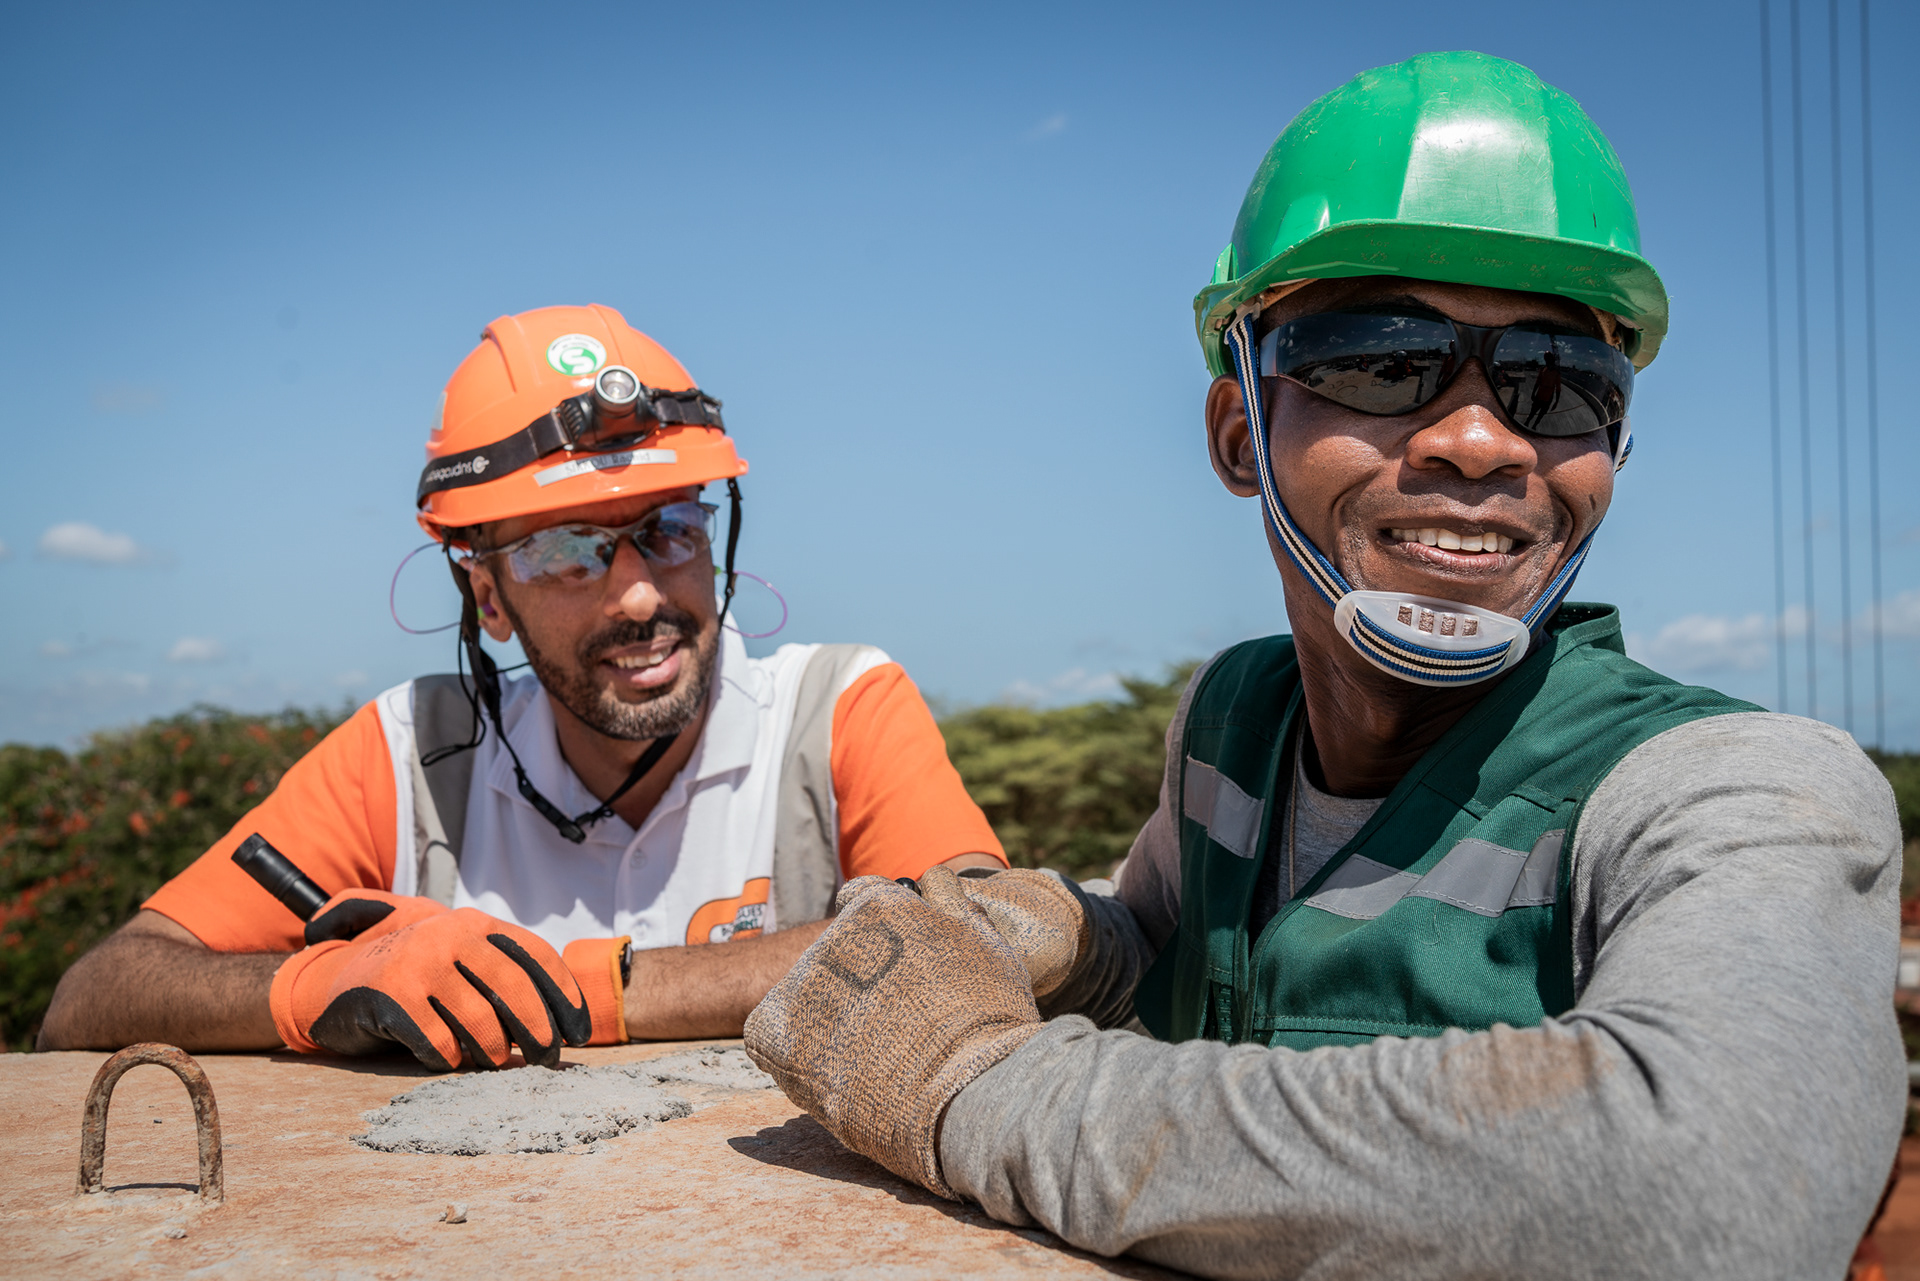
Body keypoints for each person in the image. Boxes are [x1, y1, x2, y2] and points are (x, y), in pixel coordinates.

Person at [743, 52, 1904, 1278]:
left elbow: (1716, 1180)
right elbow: (1177, 939)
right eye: (1380, 360)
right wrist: (1077, 938)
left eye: (1559, 383)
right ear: (1240, 434)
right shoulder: (1234, 725)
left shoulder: (1739, 788)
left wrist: (981, 1090)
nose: (1479, 441)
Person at [39, 304, 1005, 1069]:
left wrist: (589, 989)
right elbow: (91, 997)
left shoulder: (834, 710)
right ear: (489, 597)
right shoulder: (410, 755)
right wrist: (319, 984)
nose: (640, 594)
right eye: (568, 550)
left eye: (671, 527)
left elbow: (991, 939)